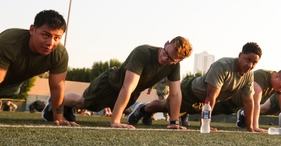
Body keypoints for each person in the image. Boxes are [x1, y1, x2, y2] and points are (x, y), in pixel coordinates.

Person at [59, 37, 192, 129]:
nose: (165, 59)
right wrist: (115, 120)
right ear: (166, 43)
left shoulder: (174, 66)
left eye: (171, 60)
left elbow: (175, 94)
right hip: (110, 84)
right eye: (165, 53)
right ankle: (57, 103)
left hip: (131, 93)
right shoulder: (143, 52)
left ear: (178, 60)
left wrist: (174, 121)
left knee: (99, 105)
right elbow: (128, 86)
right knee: (84, 103)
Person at [134, 42, 261, 128]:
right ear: (240, 55)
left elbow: (248, 101)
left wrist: (251, 127)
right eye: (248, 60)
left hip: (202, 101)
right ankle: (142, 109)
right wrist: (205, 124)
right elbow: (211, 96)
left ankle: (147, 111)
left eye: (254, 62)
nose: (250, 65)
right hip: (189, 91)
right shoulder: (222, 66)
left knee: (173, 110)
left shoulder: (249, 75)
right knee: (165, 106)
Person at [213, 68, 281, 132]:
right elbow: (255, 103)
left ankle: (243, 114)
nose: (280, 90)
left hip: (236, 106)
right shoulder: (261, 76)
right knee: (202, 110)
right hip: (225, 100)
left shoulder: (280, 86)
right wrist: (255, 126)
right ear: (276, 76)